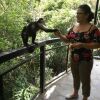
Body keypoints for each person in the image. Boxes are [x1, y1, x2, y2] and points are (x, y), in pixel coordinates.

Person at [53, 4, 100, 100]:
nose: (77, 15)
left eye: (80, 13)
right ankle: (75, 93)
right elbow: (67, 39)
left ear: (86, 15)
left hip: (85, 59)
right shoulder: (74, 26)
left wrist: (82, 44)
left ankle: (85, 98)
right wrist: (59, 35)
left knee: (85, 79)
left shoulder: (93, 28)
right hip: (73, 57)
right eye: (77, 13)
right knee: (75, 77)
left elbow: (98, 44)